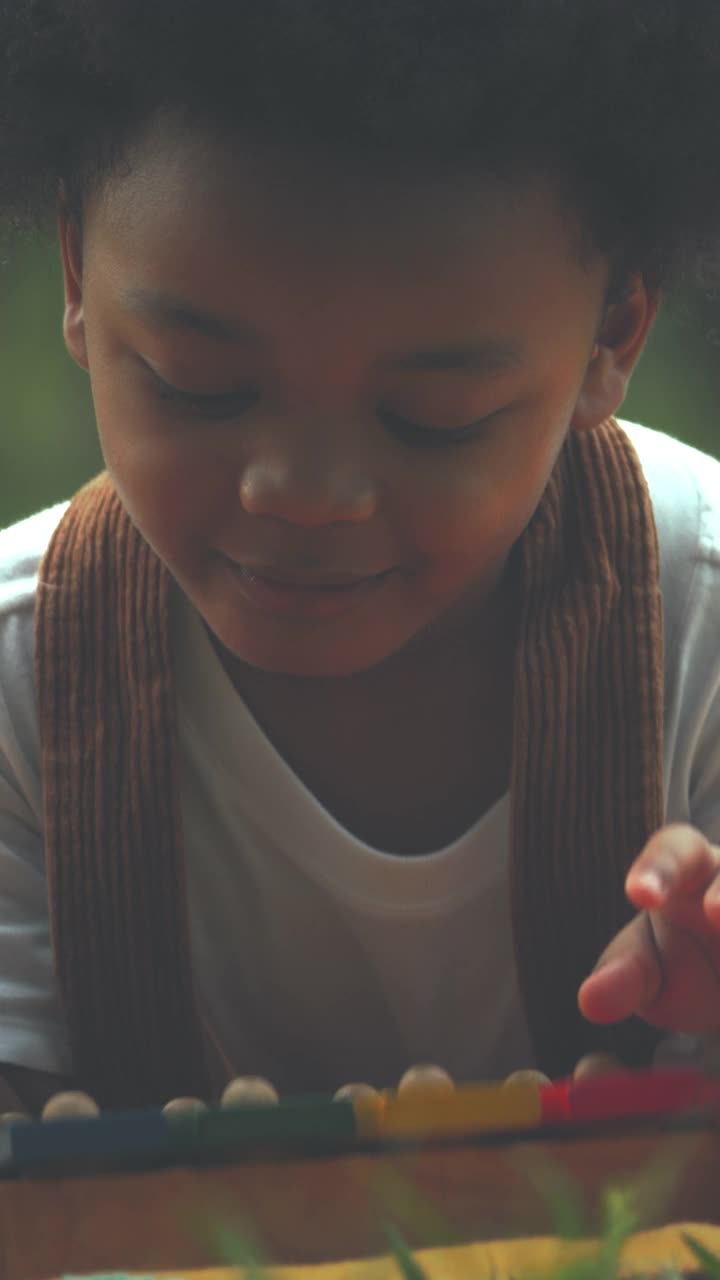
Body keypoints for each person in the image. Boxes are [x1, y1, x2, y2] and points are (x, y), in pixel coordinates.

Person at [0, 0, 718, 1115]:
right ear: (78, 275)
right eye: (199, 384)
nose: (304, 494)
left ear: (612, 333)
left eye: (436, 416)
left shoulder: (699, 635)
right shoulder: (22, 691)